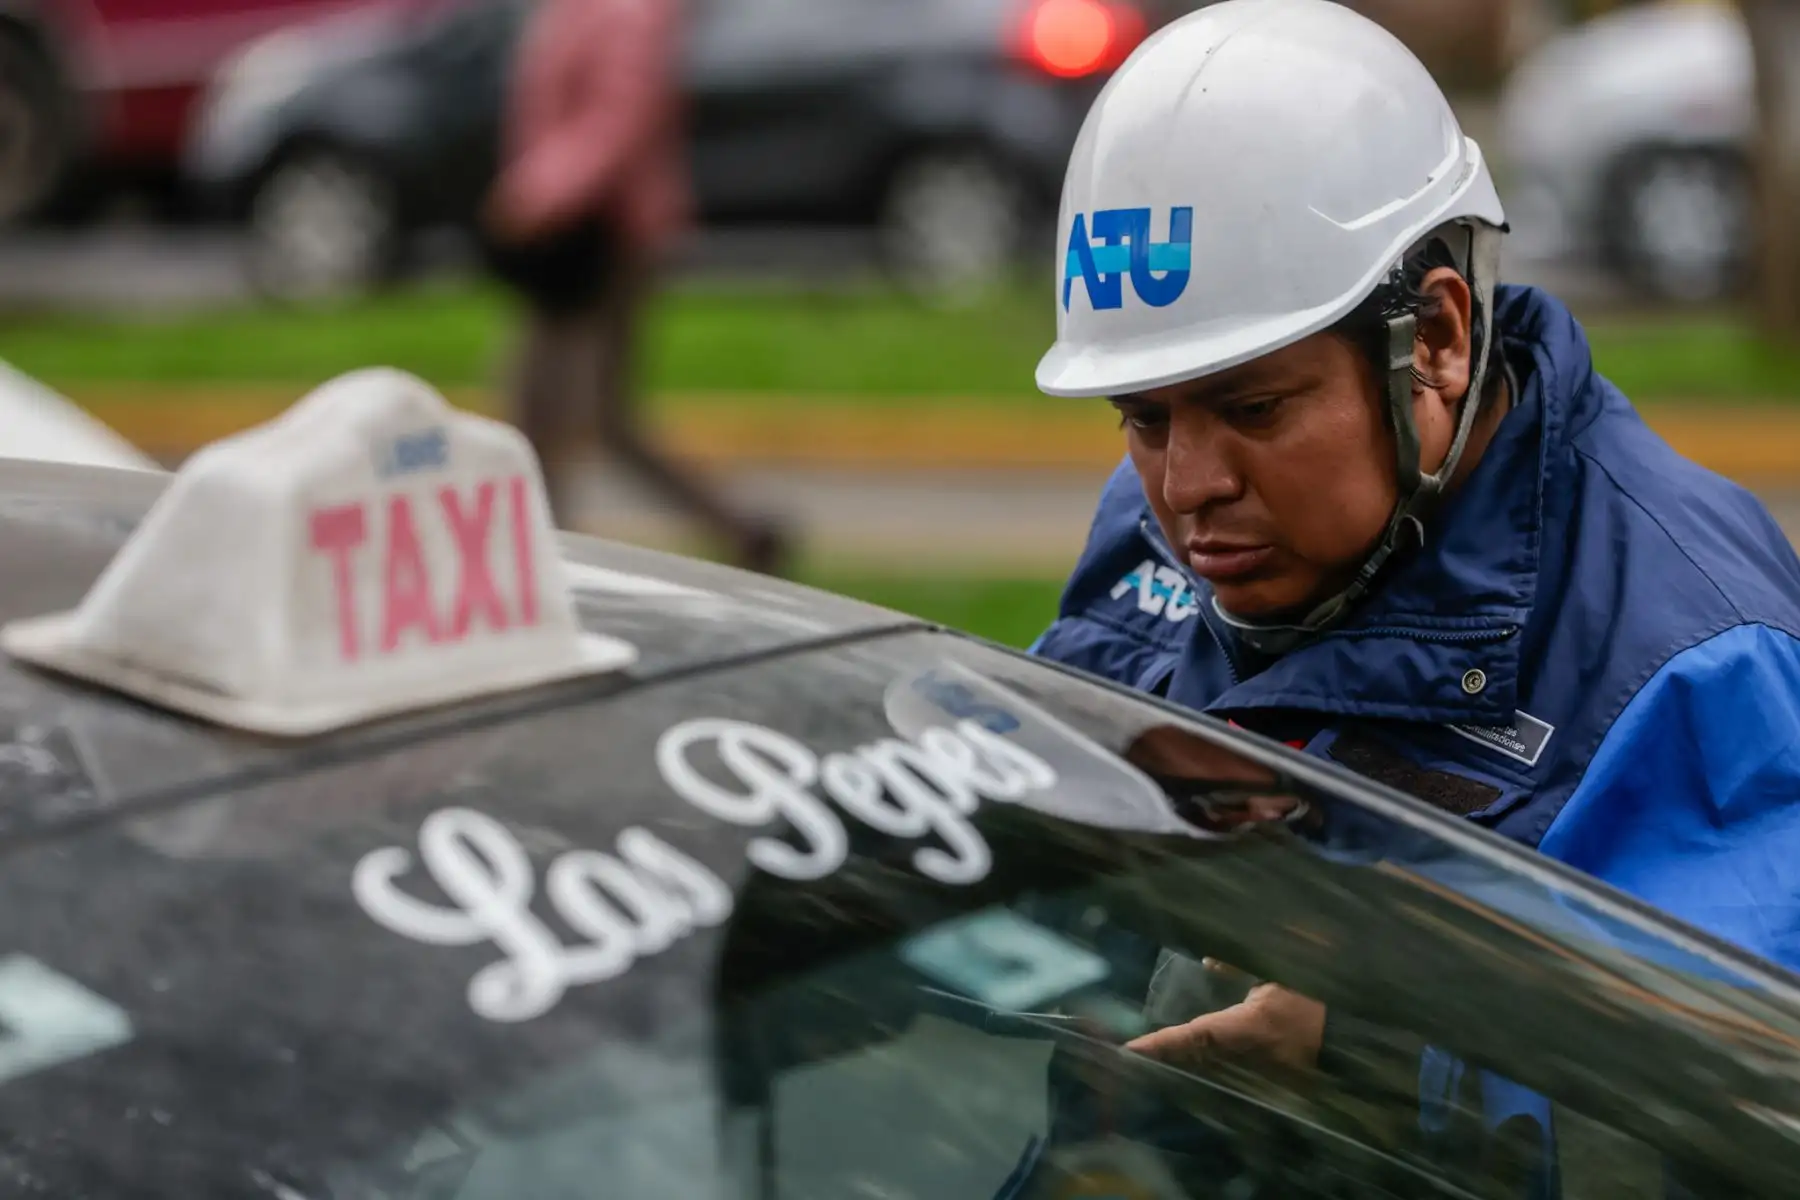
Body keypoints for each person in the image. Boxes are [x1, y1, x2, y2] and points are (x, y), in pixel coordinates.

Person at [1026, 0, 1800, 1176]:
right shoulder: (1176, 522)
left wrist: (1388, 1045)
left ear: (1434, 339)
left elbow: (1744, 1105)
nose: (1185, 489)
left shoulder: (1700, 657)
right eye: (1144, 416)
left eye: (1253, 410)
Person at [484, 0, 791, 575]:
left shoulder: (631, 11)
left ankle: (551, 564)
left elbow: (622, 116)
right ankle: (737, 530)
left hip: (601, 241)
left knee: (554, 411)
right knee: (579, 416)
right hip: (575, 237)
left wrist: (540, 192)